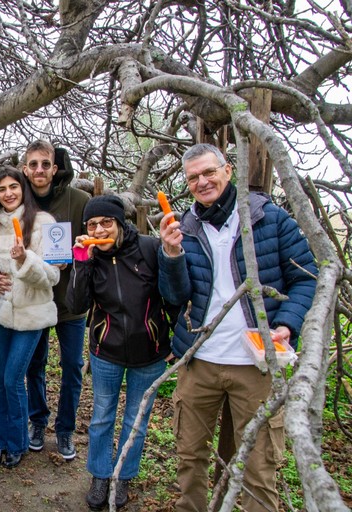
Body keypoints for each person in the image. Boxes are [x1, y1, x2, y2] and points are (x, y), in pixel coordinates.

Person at [158, 143, 318, 512]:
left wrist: (286, 323)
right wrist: (170, 255)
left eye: (209, 172)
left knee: (259, 466)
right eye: (193, 177)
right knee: (189, 457)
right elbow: (175, 296)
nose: (202, 182)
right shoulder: (184, 226)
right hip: (201, 360)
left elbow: (306, 277)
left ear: (227, 171)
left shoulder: (268, 218)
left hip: (257, 363)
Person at [67, 196, 173, 509]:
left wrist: (171, 344)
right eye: (92, 225)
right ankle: (100, 475)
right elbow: (76, 304)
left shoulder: (149, 249)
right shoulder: (90, 256)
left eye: (106, 223)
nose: (99, 230)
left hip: (150, 352)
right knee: (101, 417)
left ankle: (123, 475)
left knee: (136, 422)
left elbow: (173, 296)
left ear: (119, 223)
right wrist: (81, 262)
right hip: (106, 350)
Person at [0, 168, 59, 469]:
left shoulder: (43, 222)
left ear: (23, 189)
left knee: (14, 378)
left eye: (14, 187)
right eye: (2, 189)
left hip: (31, 314)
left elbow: (52, 276)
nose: (8, 193)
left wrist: (26, 259)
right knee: (0, 379)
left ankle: (17, 443)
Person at [21, 139, 90, 459]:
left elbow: (93, 244)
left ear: (55, 167)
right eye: (33, 164)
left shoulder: (80, 201)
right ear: (26, 168)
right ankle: (37, 421)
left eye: (45, 164)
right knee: (35, 365)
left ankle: (65, 430)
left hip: (70, 302)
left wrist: (73, 258)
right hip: (34, 299)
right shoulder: (18, 200)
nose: (39, 170)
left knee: (72, 366)